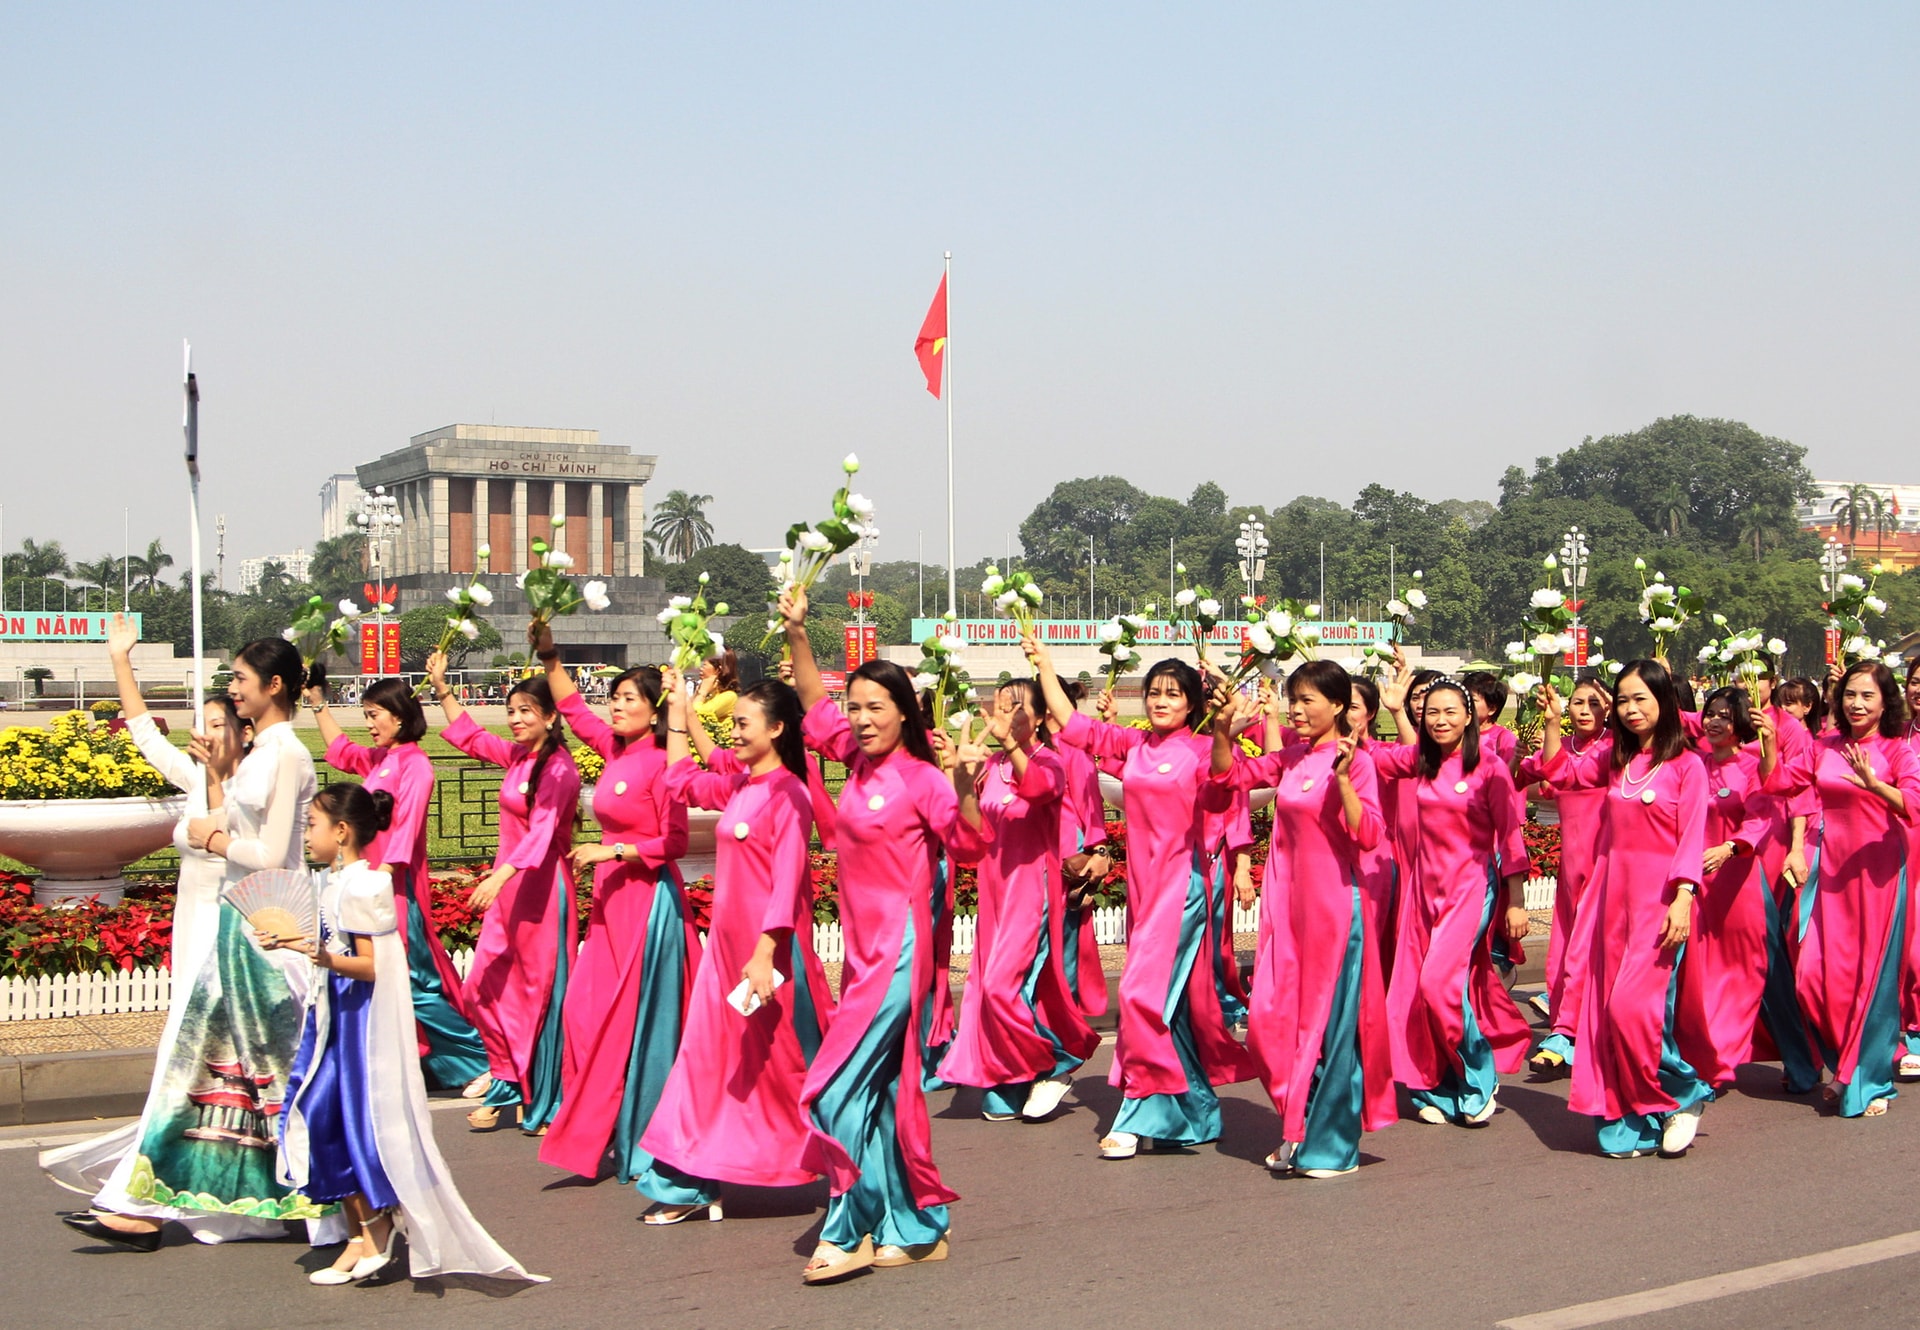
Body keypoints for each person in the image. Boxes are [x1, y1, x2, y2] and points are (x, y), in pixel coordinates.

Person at [45, 619, 289, 1248]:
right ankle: (281, 1197)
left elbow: (264, 852)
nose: (206, 731)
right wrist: (119, 660)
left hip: (231, 941)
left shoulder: (256, 779)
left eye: (218, 722)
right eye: (203, 723)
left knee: (192, 1076)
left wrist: (214, 803)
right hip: (196, 939)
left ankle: (136, 1200)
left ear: (243, 730)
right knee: (230, 1082)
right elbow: (144, 734)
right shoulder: (200, 776)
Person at [272, 784, 545, 1285]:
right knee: (317, 1116)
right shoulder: (333, 883)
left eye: (312, 825)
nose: (306, 835)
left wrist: (322, 958)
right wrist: (296, 943)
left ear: (342, 831)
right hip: (332, 1017)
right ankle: (360, 1231)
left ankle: (376, 1225)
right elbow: (332, 947)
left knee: (350, 1121)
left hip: (359, 1026)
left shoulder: (367, 886)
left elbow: (374, 966)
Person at [782, 587, 965, 1283]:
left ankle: (848, 1226)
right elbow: (811, 703)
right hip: (860, 959)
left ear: (905, 714)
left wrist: (969, 783)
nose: (858, 719)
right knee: (884, 1093)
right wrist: (797, 634)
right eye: (854, 707)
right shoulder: (855, 762)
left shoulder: (923, 780)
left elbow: (971, 844)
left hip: (900, 953)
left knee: (830, 1089)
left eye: (874, 707)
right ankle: (914, 1226)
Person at [1031, 637, 1255, 1163]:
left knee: (1138, 996)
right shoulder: (1133, 744)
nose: (1160, 701)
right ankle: (1198, 1112)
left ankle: (1138, 1112)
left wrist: (1227, 725)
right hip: (1144, 890)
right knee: (1170, 1006)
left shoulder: (1203, 750)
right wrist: (1044, 665)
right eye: (1154, 692)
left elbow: (1229, 788)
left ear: (1192, 704)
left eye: (1173, 695)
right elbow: (1070, 724)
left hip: (1184, 888)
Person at [634, 673, 834, 1224]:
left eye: (743, 724)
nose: (735, 733)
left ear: (776, 728)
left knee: (783, 1068)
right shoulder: (742, 785)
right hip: (726, 952)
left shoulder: (790, 792)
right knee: (707, 1063)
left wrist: (766, 951)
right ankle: (690, 1180)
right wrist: (678, 712)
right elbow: (681, 780)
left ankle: (838, 1161)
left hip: (764, 956)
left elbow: (789, 877)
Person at [1209, 661, 1391, 1175]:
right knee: (1268, 1025)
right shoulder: (1290, 758)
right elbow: (1229, 776)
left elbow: (1370, 835)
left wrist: (1345, 783)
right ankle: (1299, 1121)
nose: (1297, 708)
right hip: (1287, 914)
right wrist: (1223, 729)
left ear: (1337, 705)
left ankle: (1331, 1145)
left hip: (1336, 909)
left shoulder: (1356, 762)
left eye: (1309, 699)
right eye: (1294, 698)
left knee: (1329, 1031)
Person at [533, 627, 693, 1183]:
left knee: (633, 1028)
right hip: (608, 908)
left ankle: (643, 1134)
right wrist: (551, 653)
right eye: (615, 697)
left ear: (654, 713)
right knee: (582, 1016)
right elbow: (572, 708)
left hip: (647, 907)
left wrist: (614, 849)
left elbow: (673, 844)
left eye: (630, 699)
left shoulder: (660, 763)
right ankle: (600, 1127)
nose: (616, 706)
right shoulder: (613, 750)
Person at [1540, 661, 1714, 1158]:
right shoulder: (1616, 762)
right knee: (1609, 1015)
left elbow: (1691, 836)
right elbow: (1559, 774)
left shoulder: (1687, 766)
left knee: (1632, 1010)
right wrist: (1553, 722)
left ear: (1664, 701)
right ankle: (1636, 1118)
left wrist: (1684, 897)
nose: (1631, 709)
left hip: (1661, 904)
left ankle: (1683, 1094)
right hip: (1612, 903)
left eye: (1641, 698)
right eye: (1623, 700)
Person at [307, 675, 488, 1092]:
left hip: (394, 890)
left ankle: (479, 1057)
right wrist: (318, 702)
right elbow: (341, 753)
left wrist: (381, 880)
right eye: (366, 715)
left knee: (410, 978)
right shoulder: (379, 759)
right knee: (397, 977)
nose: (369, 724)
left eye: (374, 715)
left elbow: (406, 832)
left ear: (400, 717)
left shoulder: (417, 765)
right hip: (371, 885)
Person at [1758, 660, 1920, 1117]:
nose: (1856, 703)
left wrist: (1875, 786)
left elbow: (1913, 803)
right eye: (1850, 694)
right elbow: (1780, 783)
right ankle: (1846, 1064)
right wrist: (1770, 745)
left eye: (1867, 695)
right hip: (1830, 872)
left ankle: (1866, 1080)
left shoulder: (1896, 749)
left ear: (1887, 701)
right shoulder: (1824, 744)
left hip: (1879, 873)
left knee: (1872, 982)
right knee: (1813, 978)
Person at [428, 650, 580, 1133]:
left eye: (525, 712)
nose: (514, 720)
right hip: (508, 888)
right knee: (486, 986)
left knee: (533, 994)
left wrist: (500, 874)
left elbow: (542, 832)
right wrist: (443, 690)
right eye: (511, 711)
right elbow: (472, 738)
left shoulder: (559, 769)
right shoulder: (518, 755)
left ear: (551, 717)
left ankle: (528, 1090)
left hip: (539, 888)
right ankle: (506, 1075)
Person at [1369, 677, 1531, 1127]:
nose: (1439, 720)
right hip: (1424, 890)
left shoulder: (1489, 767)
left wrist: (1516, 902)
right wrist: (1395, 710)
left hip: (1471, 887)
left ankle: (1480, 1074)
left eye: (1449, 712)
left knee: (1438, 985)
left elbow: (1512, 837)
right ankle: (1438, 1082)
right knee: (1415, 991)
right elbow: (1369, 753)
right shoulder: (1421, 762)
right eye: (1431, 713)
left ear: (1469, 717)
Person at [939, 680, 1100, 1122]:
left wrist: (1010, 744)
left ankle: (1055, 1060)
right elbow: (975, 829)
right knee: (985, 988)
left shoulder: (1051, 760)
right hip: (996, 889)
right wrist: (962, 780)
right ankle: (1008, 1079)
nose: (1003, 711)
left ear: (1039, 716)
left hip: (1033, 887)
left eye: (1015, 706)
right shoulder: (990, 764)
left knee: (1001, 987)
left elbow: (1039, 790)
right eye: (1000, 704)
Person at [1671, 687, 1775, 1091]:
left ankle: (1722, 1060)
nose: (1715, 722)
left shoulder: (1752, 767)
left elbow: (1761, 818)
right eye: (1711, 713)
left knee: (1738, 974)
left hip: (1737, 884)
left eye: (1726, 717)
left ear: (1742, 724)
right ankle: (1698, 1055)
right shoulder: (1692, 763)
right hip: (1695, 885)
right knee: (1700, 975)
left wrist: (1730, 848)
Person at [1516, 676, 1612, 1071]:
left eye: (1594, 702)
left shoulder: (1615, 748)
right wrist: (1531, 744)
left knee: (1582, 951)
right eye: (1577, 703)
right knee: (1564, 950)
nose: (1585, 710)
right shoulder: (1562, 747)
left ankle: (1566, 1032)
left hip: (1606, 862)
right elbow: (1538, 778)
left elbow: (1559, 773)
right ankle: (1572, 1024)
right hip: (1571, 865)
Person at [1054, 678, 1114, 1019]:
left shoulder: (1073, 750)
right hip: (1032, 862)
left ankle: (1064, 1024)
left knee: (1065, 947)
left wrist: (1098, 852)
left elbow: (1091, 806)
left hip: (1066, 862)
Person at [694, 648, 740, 728]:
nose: (700, 669)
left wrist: (702, 693)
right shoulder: (709, 693)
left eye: (704, 665)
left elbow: (696, 715)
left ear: (719, 669)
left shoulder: (729, 696)